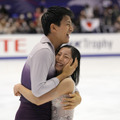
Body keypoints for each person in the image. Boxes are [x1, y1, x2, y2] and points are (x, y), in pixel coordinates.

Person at [14, 6, 81, 120]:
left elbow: (61, 84)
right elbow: (38, 91)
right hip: (32, 115)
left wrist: (77, 96)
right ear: (53, 28)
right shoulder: (44, 51)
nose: (71, 29)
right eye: (67, 24)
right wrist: (63, 75)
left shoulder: (52, 51)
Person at [14, 45, 81, 120]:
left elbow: (38, 100)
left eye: (66, 57)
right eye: (58, 54)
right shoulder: (56, 77)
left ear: (75, 63)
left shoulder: (67, 82)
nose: (60, 58)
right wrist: (78, 96)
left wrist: (19, 87)